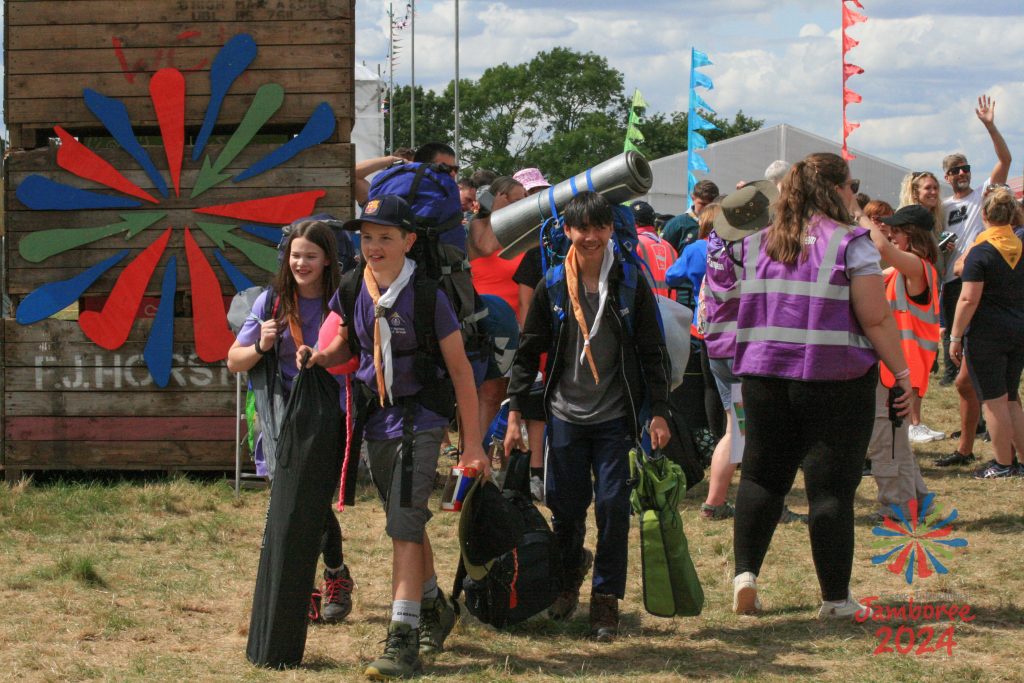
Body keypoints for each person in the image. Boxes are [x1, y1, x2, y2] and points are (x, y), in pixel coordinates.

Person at [301, 195, 489, 679]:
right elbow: (347, 338)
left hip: (422, 419)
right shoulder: (350, 287)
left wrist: (471, 446)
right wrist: (322, 355)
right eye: (366, 237)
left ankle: (401, 638)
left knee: (403, 526)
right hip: (376, 418)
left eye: (386, 236)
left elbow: (462, 374)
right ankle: (433, 606)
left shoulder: (429, 297)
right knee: (404, 521)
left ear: (408, 241)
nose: (374, 246)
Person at [730, 153, 911, 620]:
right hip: (835, 378)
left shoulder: (756, 242)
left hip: (764, 373)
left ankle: (745, 574)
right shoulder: (852, 243)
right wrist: (903, 374)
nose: (855, 193)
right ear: (834, 189)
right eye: (852, 185)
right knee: (830, 490)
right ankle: (835, 600)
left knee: (759, 477)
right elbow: (875, 316)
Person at [504, 191, 672, 641]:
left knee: (615, 509)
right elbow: (528, 352)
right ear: (568, 231)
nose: (592, 236)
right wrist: (517, 409)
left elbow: (653, 352)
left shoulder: (629, 283)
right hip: (564, 416)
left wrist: (658, 411)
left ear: (610, 230)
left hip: (617, 417)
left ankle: (605, 601)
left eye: (600, 227)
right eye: (583, 228)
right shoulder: (553, 284)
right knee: (566, 509)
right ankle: (568, 572)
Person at [226, 220, 355, 625]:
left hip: (329, 414)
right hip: (281, 418)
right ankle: (311, 585)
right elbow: (234, 361)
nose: (301, 263)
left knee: (312, 500)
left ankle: (332, 574)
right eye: (296, 255)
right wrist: (262, 345)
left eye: (310, 256)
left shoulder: (343, 300)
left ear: (327, 259)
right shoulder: (272, 302)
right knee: (292, 499)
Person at [935, 95, 1010, 464]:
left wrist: (990, 126)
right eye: (956, 170)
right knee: (963, 368)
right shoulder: (942, 207)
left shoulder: (983, 194)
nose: (963, 173)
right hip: (952, 283)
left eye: (966, 167)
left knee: (972, 371)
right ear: (947, 177)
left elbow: (1005, 161)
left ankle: (981, 443)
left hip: (978, 282)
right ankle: (973, 441)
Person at [860, 204, 939, 518]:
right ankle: (916, 498)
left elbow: (879, 247)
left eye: (896, 230)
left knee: (886, 440)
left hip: (898, 369)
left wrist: (856, 212)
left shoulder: (918, 267)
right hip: (898, 367)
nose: (889, 234)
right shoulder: (905, 270)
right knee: (895, 438)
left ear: (911, 234)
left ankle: (896, 507)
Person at [949, 187, 1024, 479]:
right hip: (1018, 329)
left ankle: (1003, 463)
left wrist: (955, 336)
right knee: (1011, 398)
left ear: (983, 215)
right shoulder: (1020, 246)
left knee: (993, 400)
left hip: (987, 334)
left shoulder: (981, 251)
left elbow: (968, 299)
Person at [630, 199, 679, 299]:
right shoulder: (670, 247)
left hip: (645, 306)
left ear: (634, 223)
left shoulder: (633, 244)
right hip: (670, 308)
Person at [662, 179, 720, 255]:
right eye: (702, 204)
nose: (707, 209)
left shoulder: (720, 225)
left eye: (710, 205)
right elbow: (663, 252)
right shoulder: (677, 224)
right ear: (693, 198)